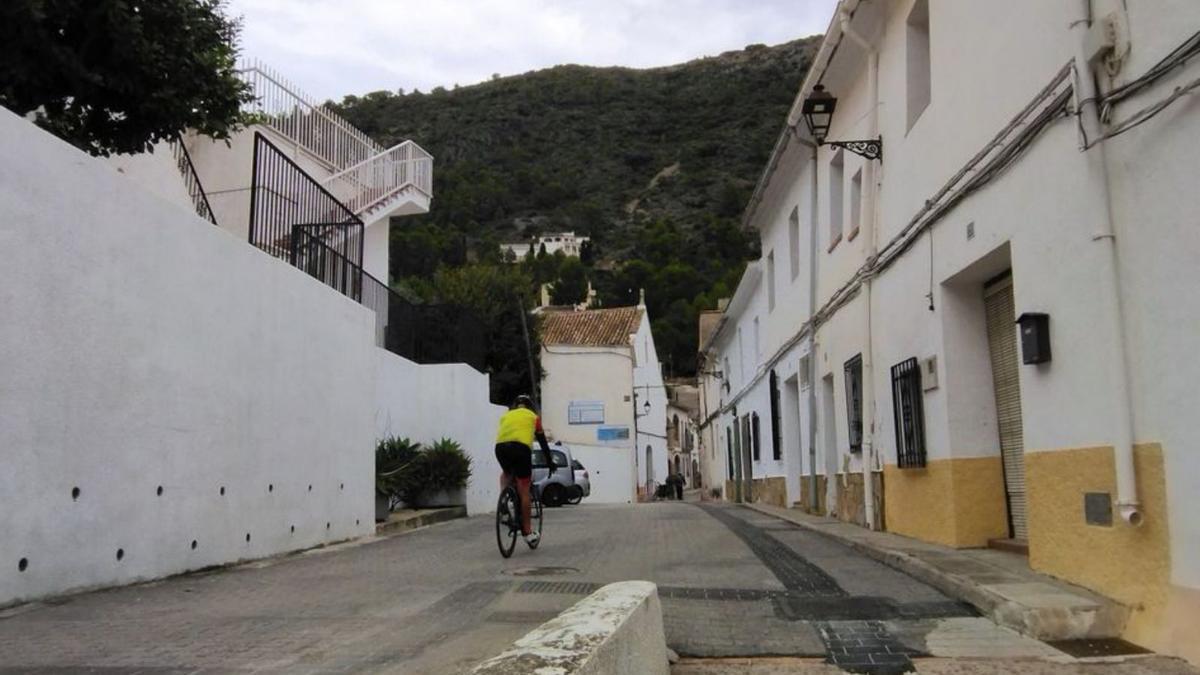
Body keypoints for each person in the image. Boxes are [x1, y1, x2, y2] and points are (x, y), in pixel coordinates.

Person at [494, 394, 553, 546]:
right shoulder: (534, 417)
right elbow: (543, 443)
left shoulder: (506, 416)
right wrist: (550, 462)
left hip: (500, 448)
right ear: (530, 406)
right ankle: (527, 532)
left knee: (506, 474)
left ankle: (504, 505)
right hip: (521, 449)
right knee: (524, 489)